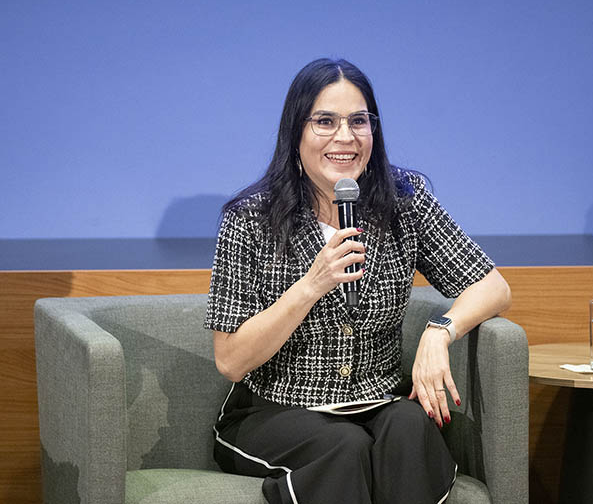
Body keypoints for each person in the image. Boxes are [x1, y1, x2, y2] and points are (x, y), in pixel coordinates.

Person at [204, 58, 511, 504]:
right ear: (296, 132)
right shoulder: (251, 218)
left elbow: (492, 286)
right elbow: (231, 360)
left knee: (409, 426)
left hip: (377, 402)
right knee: (346, 446)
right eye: (325, 121)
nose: (345, 137)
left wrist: (439, 332)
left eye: (359, 121)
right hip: (275, 409)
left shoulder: (403, 201)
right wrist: (311, 285)